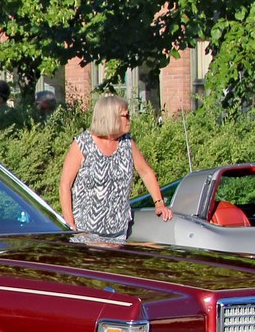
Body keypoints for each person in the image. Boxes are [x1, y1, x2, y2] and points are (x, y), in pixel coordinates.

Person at [59, 94, 171, 239]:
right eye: (126, 115)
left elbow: (146, 173)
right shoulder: (82, 144)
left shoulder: (127, 143)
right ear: (111, 117)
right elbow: (65, 185)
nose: (130, 120)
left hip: (118, 232)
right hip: (85, 233)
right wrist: (70, 225)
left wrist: (159, 203)